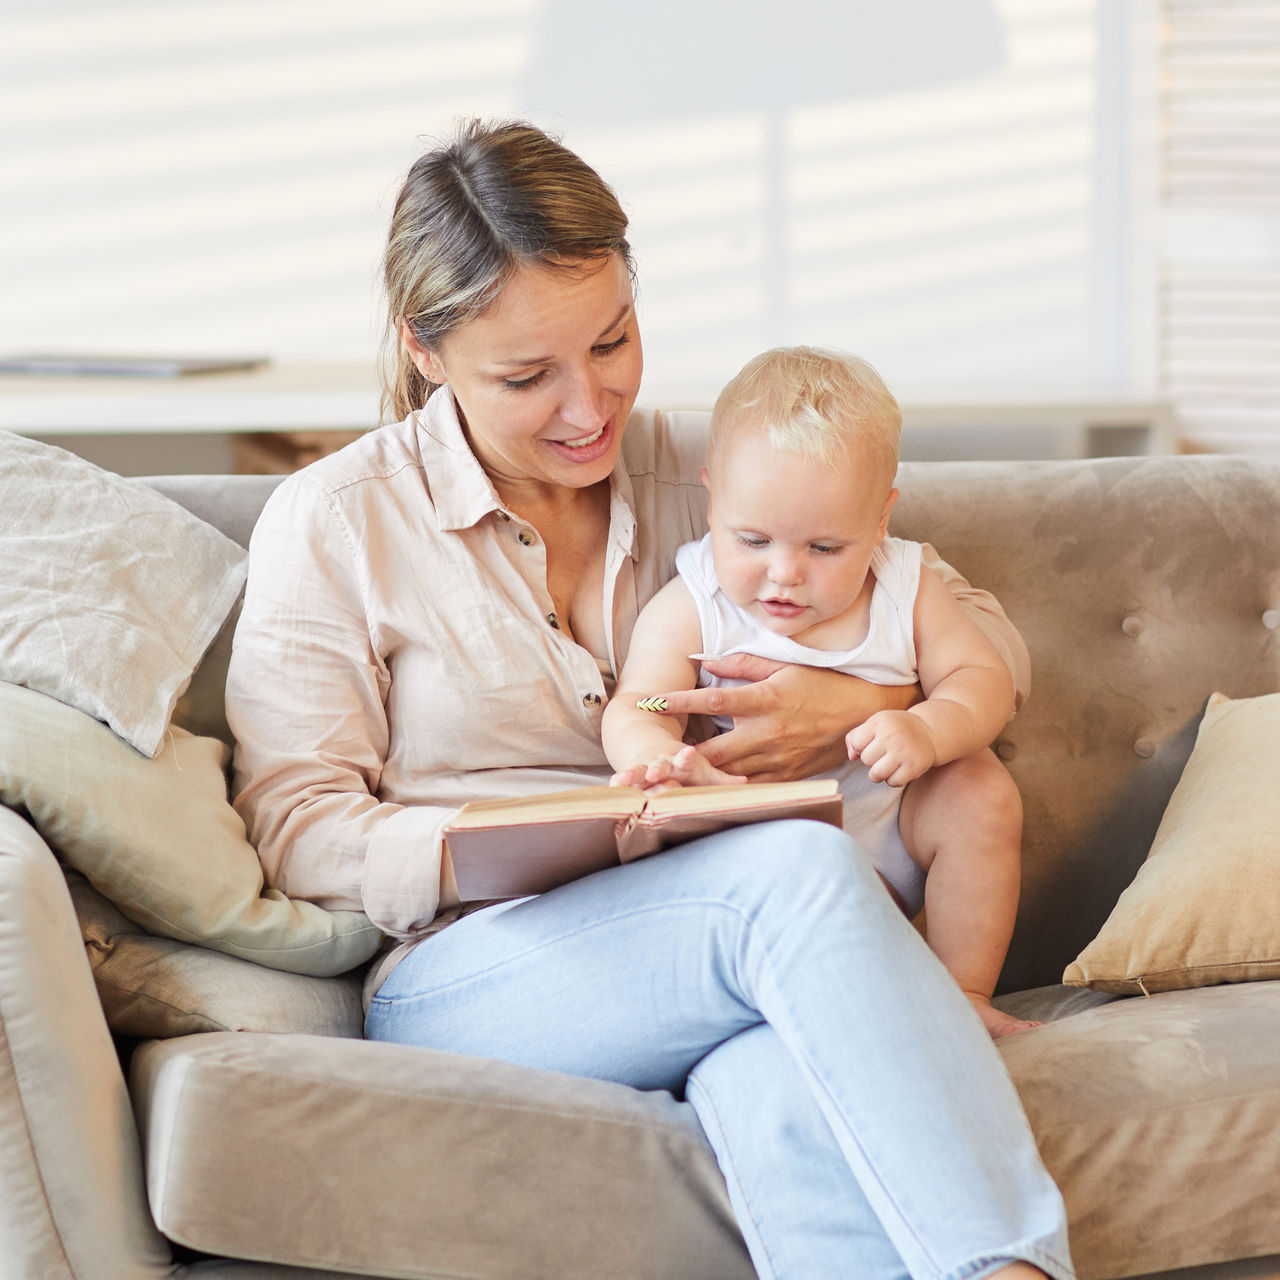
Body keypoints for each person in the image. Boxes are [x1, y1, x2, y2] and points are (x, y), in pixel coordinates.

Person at [225, 118, 1073, 1280]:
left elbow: (986, 640)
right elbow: (296, 822)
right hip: (480, 970)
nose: (588, 408)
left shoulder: (718, 469)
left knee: (781, 1082)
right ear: (425, 350)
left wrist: (844, 699)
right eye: (526, 377)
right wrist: (505, 842)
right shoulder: (336, 522)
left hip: (727, 957)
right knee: (789, 876)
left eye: (612, 342)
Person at [602, 346, 1038, 1039]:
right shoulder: (699, 599)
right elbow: (644, 700)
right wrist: (657, 751)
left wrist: (927, 729)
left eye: (826, 549)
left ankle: (963, 993)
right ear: (713, 498)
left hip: (893, 827)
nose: (784, 575)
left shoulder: (905, 586)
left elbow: (978, 678)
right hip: (755, 838)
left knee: (980, 791)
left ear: (881, 519)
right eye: (752, 539)